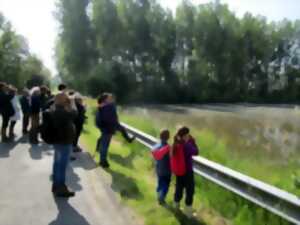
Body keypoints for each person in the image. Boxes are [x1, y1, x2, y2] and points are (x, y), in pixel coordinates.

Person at [96, 93, 135, 168]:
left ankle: (102, 160)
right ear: (105, 99)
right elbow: (108, 119)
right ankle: (102, 161)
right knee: (105, 145)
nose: (111, 98)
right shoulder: (107, 107)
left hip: (108, 128)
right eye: (109, 98)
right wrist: (114, 126)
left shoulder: (105, 106)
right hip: (108, 128)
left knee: (104, 144)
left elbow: (109, 118)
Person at [50, 92, 77, 197]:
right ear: (62, 100)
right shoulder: (61, 111)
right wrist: (72, 102)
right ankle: (60, 188)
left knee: (57, 164)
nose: (68, 100)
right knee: (61, 166)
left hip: (59, 141)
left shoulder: (55, 109)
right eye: (66, 99)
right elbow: (75, 114)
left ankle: (56, 186)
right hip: (64, 142)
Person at [171, 127, 199, 217]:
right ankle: (188, 212)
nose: (189, 136)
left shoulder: (175, 143)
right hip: (187, 171)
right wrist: (193, 141)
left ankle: (175, 206)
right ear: (185, 135)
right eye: (187, 134)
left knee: (179, 188)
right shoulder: (186, 145)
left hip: (178, 171)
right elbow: (196, 152)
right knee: (190, 191)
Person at [151, 130, 172, 205]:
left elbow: (154, 155)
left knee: (160, 182)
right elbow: (171, 158)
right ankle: (162, 197)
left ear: (160, 136)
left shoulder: (156, 146)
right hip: (167, 169)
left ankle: (158, 195)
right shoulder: (168, 147)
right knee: (166, 184)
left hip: (159, 168)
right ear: (168, 137)